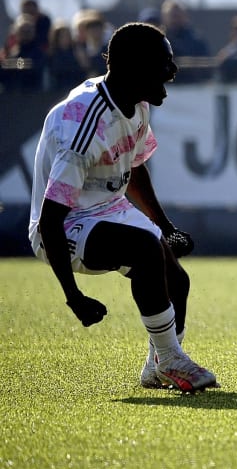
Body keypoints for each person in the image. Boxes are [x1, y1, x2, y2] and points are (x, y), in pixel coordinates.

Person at [28, 22, 219, 391]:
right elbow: (51, 220)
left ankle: (157, 365)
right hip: (64, 226)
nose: (173, 71)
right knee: (145, 250)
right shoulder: (83, 124)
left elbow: (134, 164)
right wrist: (73, 297)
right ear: (135, 68)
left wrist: (164, 226)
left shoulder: (136, 103)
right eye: (164, 63)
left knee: (176, 279)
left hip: (106, 208)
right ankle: (172, 358)